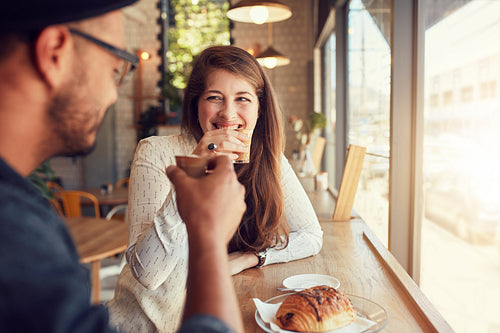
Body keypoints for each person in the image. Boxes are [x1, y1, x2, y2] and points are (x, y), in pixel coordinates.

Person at [0, 2, 246, 332]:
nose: (114, 94)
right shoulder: (16, 239)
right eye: (117, 68)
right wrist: (209, 233)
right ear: (54, 52)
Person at [108, 45, 323, 332]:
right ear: (196, 104)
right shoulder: (155, 151)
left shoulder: (269, 159)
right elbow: (147, 273)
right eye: (214, 98)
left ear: (259, 108)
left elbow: (311, 236)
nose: (228, 113)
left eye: (242, 99)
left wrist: (252, 257)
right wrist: (193, 170)